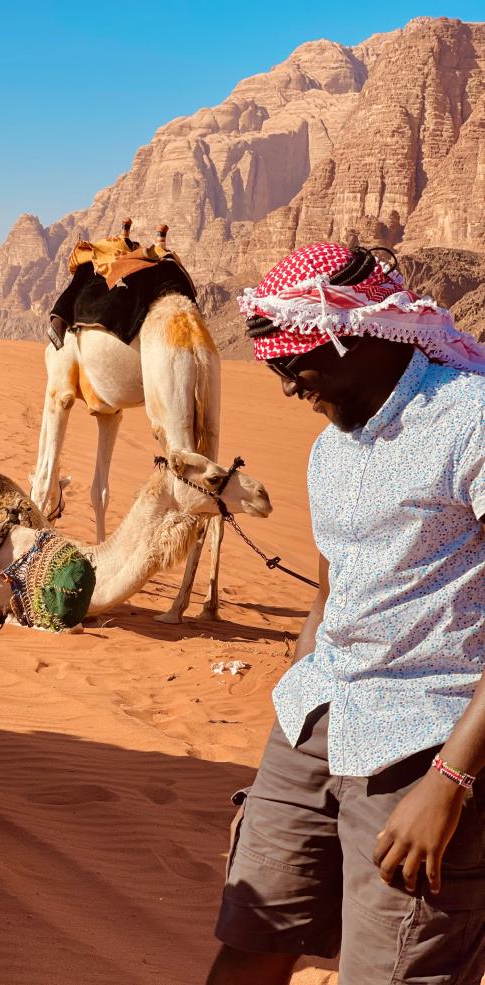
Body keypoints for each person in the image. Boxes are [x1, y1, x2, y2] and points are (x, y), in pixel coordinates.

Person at [207, 242, 485, 984]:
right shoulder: (331, 446)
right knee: (250, 942)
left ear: (360, 337)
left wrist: (448, 784)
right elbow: (327, 598)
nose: (288, 384)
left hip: (426, 741)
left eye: (299, 361)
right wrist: (283, 765)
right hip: (318, 720)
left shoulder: (470, 420)